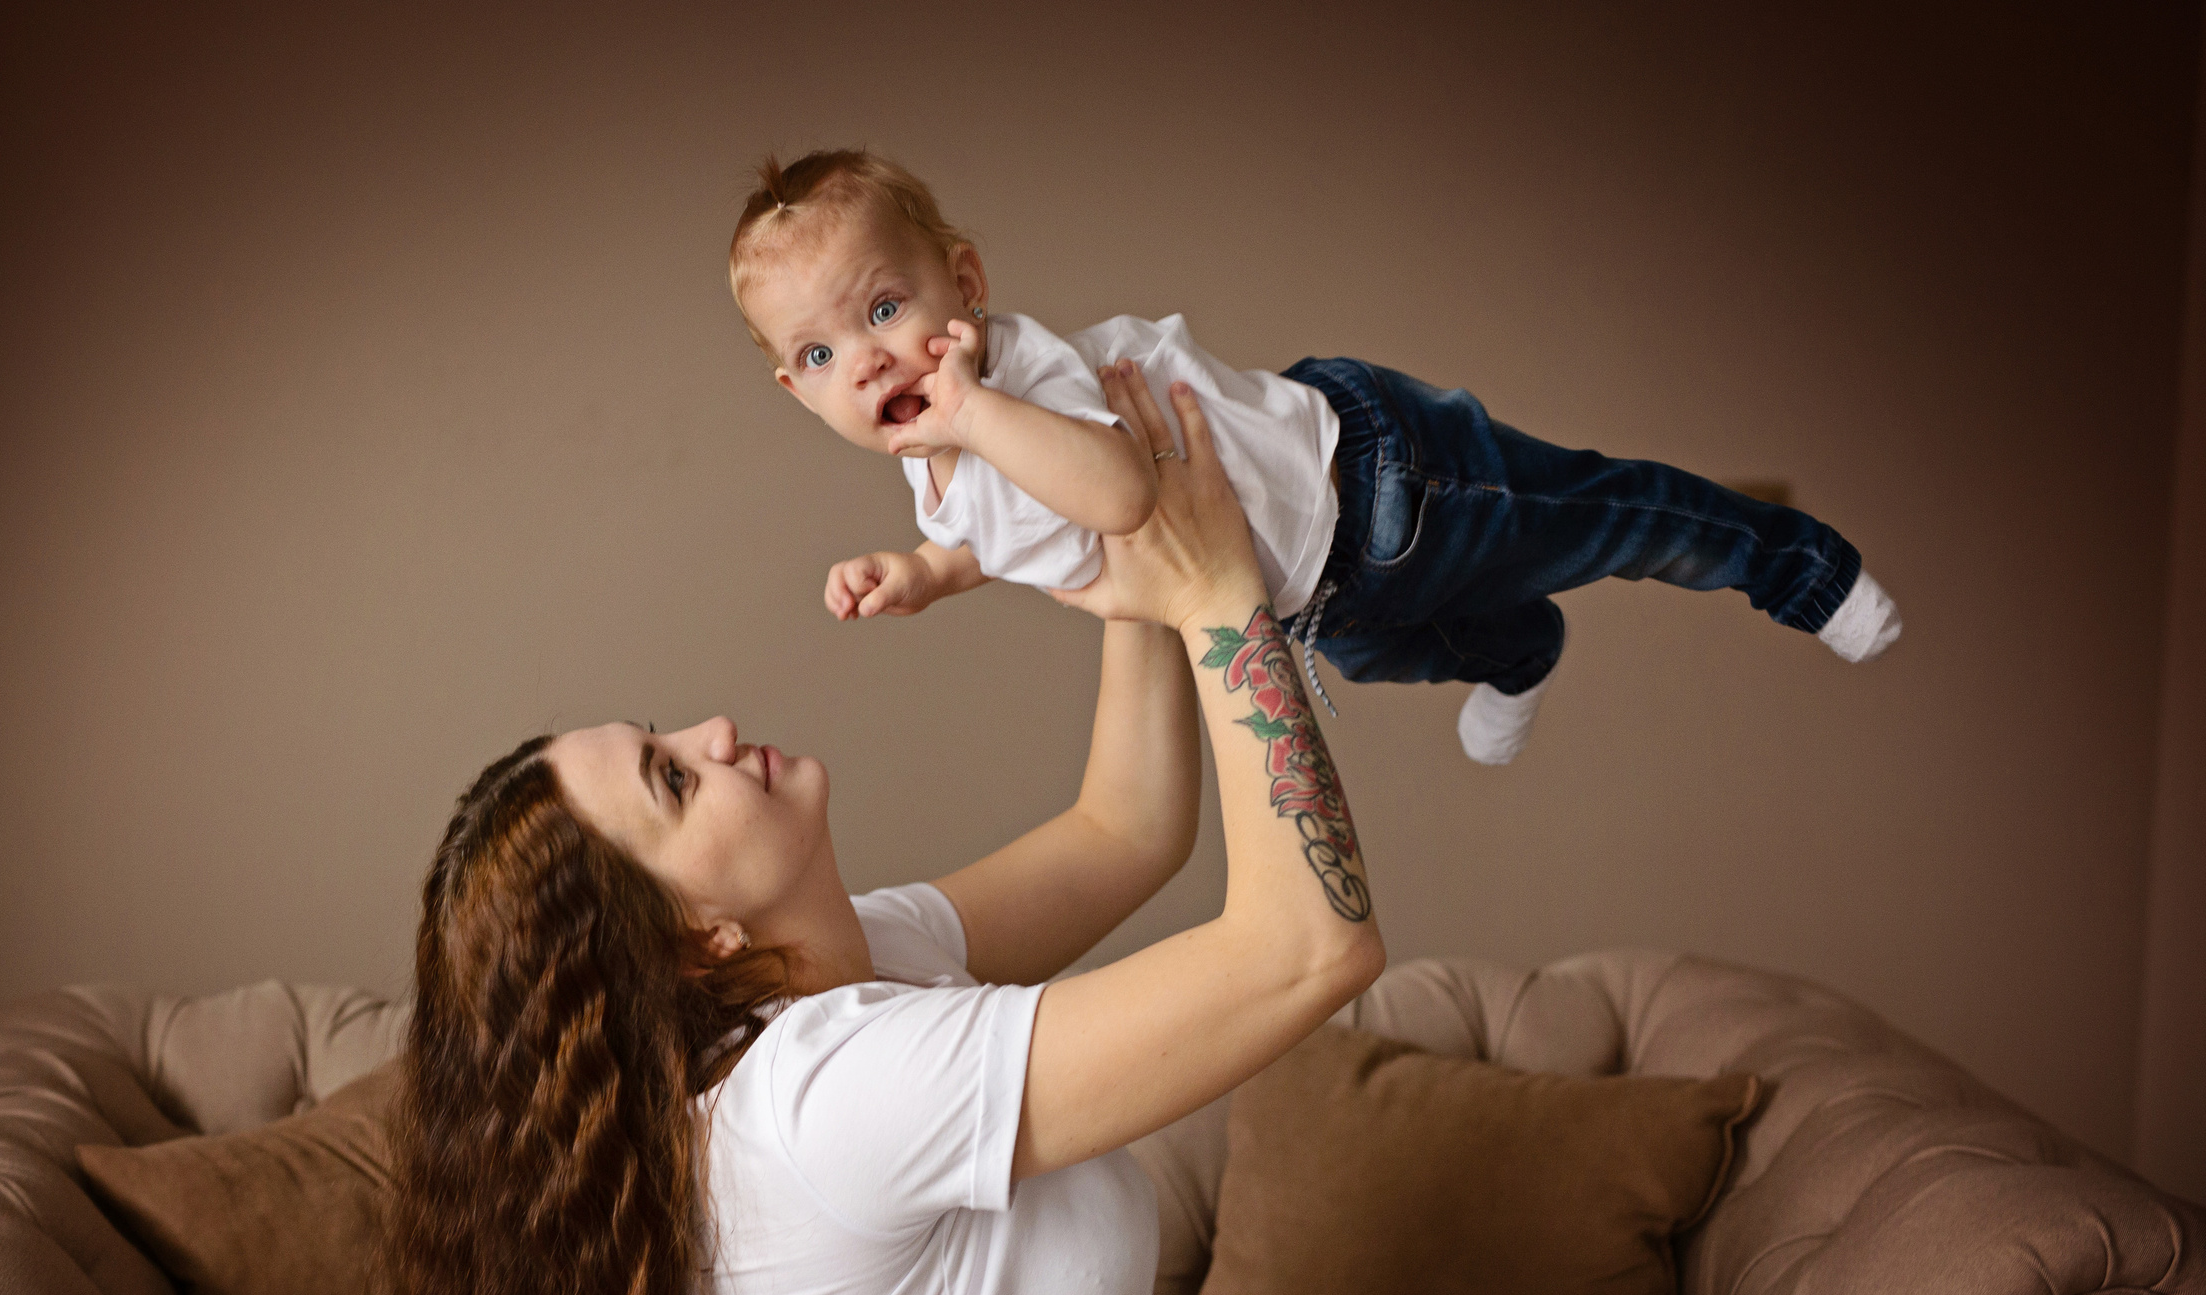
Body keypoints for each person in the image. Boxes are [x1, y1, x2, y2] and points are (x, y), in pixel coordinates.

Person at [370, 371, 1698, 1295]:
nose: (712, 732)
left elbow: (1124, 828)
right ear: (692, 939)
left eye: (662, 729)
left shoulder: (854, 972)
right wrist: (1217, 594)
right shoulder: (829, 1098)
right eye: (672, 777)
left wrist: (1129, 536)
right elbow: (1310, 948)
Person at [729, 148, 1902, 765]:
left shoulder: (1007, 380)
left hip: (1382, 476)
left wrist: (972, 415)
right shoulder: (936, 441)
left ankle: (1796, 566)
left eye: (885, 309)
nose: (871, 362)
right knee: (1411, 653)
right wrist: (926, 572)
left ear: (964, 284)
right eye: (824, 352)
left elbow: (1121, 492)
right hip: (1321, 587)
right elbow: (1001, 529)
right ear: (794, 390)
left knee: (1600, 519)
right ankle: (1523, 646)